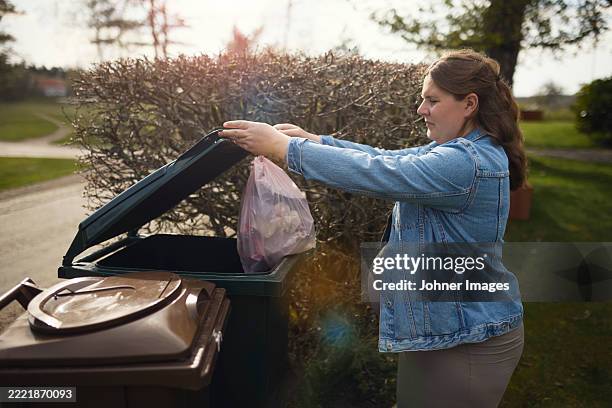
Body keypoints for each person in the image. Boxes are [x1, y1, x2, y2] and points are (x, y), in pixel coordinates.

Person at [220, 49, 526, 408]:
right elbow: (388, 158)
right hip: (443, 331)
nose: (421, 109)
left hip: (469, 339)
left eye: (432, 100)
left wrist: (288, 149)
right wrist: (316, 141)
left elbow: (380, 173)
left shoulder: (466, 162)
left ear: (469, 104)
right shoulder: (459, 151)